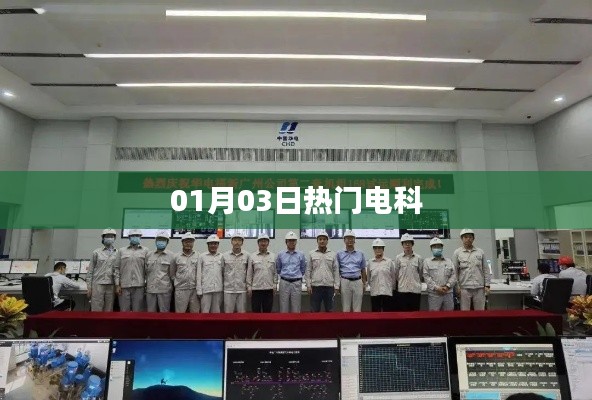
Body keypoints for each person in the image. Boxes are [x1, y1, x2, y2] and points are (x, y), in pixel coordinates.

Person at [453, 229, 490, 311]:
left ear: (473, 238)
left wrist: (487, 285)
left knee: (480, 312)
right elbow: (455, 271)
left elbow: (486, 269)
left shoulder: (480, 252)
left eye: (470, 237)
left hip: (479, 287)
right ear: (462, 239)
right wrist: (457, 287)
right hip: (464, 288)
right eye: (465, 237)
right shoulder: (457, 253)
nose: (468, 239)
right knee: (465, 312)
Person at [114, 229, 150, 312]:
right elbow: (116, 268)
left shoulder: (145, 251)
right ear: (129, 238)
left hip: (139, 286)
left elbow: (147, 270)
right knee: (124, 311)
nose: (135, 237)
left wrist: (147, 284)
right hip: (124, 286)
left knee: (138, 312)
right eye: (133, 236)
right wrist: (117, 285)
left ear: (140, 237)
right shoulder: (121, 251)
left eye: (137, 236)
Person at [305, 230, 339, 312]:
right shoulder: (311, 253)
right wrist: (308, 285)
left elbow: (336, 271)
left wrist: (337, 286)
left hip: (329, 287)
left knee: (330, 311)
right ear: (317, 241)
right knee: (314, 311)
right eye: (320, 239)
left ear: (327, 241)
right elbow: (308, 270)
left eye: (324, 239)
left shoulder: (333, 254)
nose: (322, 241)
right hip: (315, 287)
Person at [336, 230, 367, 312]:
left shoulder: (360, 253)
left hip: (358, 281)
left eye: (351, 238)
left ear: (354, 240)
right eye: (347, 238)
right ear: (344, 240)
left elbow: (363, 269)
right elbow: (337, 270)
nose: (350, 240)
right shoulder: (339, 254)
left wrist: (364, 283)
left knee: (357, 308)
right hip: (345, 281)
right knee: (345, 308)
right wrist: (338, 284)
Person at [87, 228, 118, 311]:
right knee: (96, 308)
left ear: (114, 238)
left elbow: (118, 271)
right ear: (103, 238)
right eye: (107, 236)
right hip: (98, 284)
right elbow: (90, 270)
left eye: (111, 236)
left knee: (109, 309)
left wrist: (117, 285)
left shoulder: (118, 253)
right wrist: (89, 287)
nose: (109, 238)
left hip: (111, 284)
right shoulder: (96, 252)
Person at [423, 237, 456, 311]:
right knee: (434, 316)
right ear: (431, 248)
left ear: (442, 248)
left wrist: (447, 286)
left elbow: (454, 275)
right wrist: (437, 288)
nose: (437, 248)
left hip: (448, 293)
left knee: (449, 315)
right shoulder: (427, 262)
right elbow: (426, 277)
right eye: (434, 246)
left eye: (439, 246)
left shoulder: (449, 261)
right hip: (434, 294)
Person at [276, 231, 306, 313]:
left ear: (296, 242)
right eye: (289, 240)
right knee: (283, 307)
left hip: (296, 282)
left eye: (293, 240)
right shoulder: (281, 254)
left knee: (296, 308)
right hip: (284, 282)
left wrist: (297, 277)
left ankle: (296, 321)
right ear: (286, 242)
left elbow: (303, 269)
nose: (292, 242)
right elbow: (278, 268)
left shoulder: (301, 254)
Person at [247, 234, 277, 313]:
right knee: (256, 313)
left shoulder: (273, 256)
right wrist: (249, 287)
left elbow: (275, 272)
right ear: (258, 243)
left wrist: (275, 285)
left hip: (269, 289)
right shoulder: (252, 256)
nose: (263, 243)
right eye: (261, 241)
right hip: (256, 289)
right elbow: (249, 273)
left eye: (265, 241)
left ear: (268, 243)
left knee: (267, 314)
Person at [171, 232, 200, 313]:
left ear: (193, 243)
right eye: (186, 241)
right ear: (182, 242)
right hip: (181, 290)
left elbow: (200, 273)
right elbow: (172, 274)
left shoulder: (198, 256)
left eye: (190, 241)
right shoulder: (176, 256)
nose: (188, 243)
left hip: (194, 289)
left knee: (195, 313)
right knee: (180, 313)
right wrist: (178, 282)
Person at [145, 230, 174, 312]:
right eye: (159, 239)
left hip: (164, 289)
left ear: (167, 242)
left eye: (163, 240)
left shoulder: (171, 256)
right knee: (150, 313)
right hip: (150, 289)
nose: (161, 241)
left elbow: (172, 274)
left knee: (164, 313)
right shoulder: (149, 255)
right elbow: (145, 271)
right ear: (156, 241)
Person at [393, 233, 424, 311]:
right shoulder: (398, 258)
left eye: (409, 242)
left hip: (415, 291)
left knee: (415, 314)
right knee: (403, 315)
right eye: (405, 242)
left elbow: (420, 274)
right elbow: (396, 274)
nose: (407, 244)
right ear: (402, 245)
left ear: (412, 244)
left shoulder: (418, 258)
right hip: (402, 291)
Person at [222, 233, 250, 313]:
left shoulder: (247, 255)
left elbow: (249, 272)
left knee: (241, 315)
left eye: (239, 240)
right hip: (228, 290)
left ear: (242, 242)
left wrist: (248, 286)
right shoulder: (224, 256)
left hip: (242, 289)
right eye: (235, 240)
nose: (237, 242)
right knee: (228, 314)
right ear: (231, 242)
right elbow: (222, 271)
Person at [367, 238, 396, 312]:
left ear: (383, 249)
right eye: (376, 248)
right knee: (375, 315)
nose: (378, 250)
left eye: (380, 248)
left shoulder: (389, 262)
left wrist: (390, 288)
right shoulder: (370, 262)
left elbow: (393, 278)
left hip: (387, 292)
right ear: (373, 250)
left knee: (387, 315)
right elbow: (369, 279)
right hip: (375, 293)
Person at [198, 234, 224, 313]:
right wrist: (199, 290)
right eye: (211, 243)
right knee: (205, 312)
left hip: (218, 289)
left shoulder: (222, 256)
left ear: (218, 245)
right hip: (206, 290)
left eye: (215, 243)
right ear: (208, 244)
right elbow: (198, 274)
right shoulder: (202, 256)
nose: (213, 245)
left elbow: (224, 274)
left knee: (216, 312)